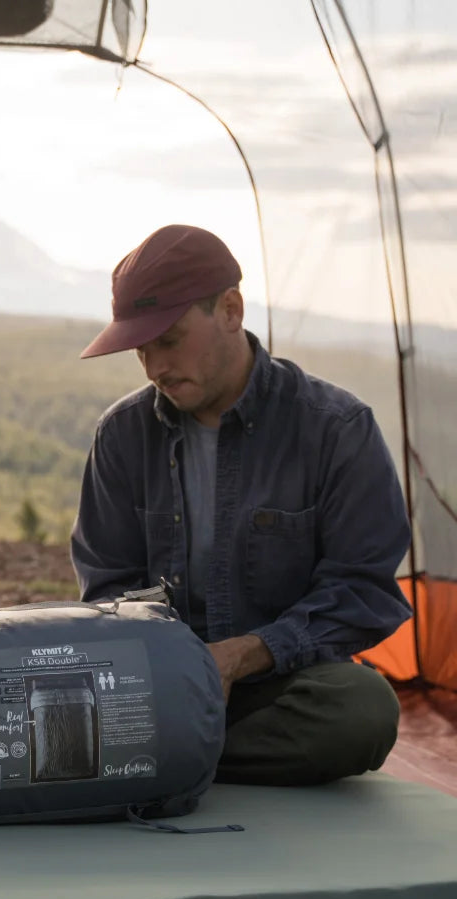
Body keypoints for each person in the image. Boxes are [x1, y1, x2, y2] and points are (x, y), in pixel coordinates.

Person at [71, 224, 412, 785]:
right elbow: (107, 587)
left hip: (278, 684)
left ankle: (163, 759)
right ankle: (168, 750)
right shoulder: (122, 435)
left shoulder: (336, 429)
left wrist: (243, 655)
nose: (154, 366)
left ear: (231, 309)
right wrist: (173, 667)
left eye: (170, 339)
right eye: (140, 348)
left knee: (362, 712)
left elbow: (362, 591)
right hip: (157, 685)